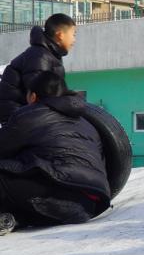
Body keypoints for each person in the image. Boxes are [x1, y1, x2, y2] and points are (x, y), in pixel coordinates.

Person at [0, 73, 110, 234]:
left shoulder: (29, 114)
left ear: (33, 96)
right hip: (89, 205)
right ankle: (13, 218)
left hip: (54, 194)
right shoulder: (86, 122)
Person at [0, 13, 76, 125]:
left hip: (25, 113)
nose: (74, 40)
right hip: (17, 117)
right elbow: (41, 93)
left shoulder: (50, 54)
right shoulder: (40, 56)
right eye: (74, 34)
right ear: (60, 35)